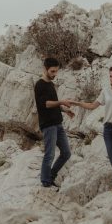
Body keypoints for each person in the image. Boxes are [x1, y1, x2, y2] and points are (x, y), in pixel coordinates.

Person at [35, 57, 76, 189]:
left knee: (66, 153)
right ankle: (45, 182)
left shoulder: (51, 85)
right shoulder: (40, 85)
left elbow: (54, 104)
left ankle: (51, 176)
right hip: (48, 125)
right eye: (52, 71)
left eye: (56, 71)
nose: (54, 74)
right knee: (50, 154)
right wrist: (62, 102)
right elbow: (45, 104)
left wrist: (64, 110)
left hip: (58, 124)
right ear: (45, 69)